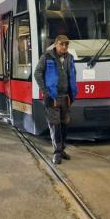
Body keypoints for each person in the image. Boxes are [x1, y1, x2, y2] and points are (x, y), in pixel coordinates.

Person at [34, 35, 78, 165]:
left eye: (66, 44)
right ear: (56, 45)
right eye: (61, 44)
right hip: (52, 97)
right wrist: (45, 91)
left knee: (65, 124)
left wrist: (72, 92)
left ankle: (62, 149)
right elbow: (37, 73)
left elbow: (73, 74)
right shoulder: (47, 57)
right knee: (55, 124)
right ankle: (57, 152)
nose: (64, 47)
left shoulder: (70, 57)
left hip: (66, 97)